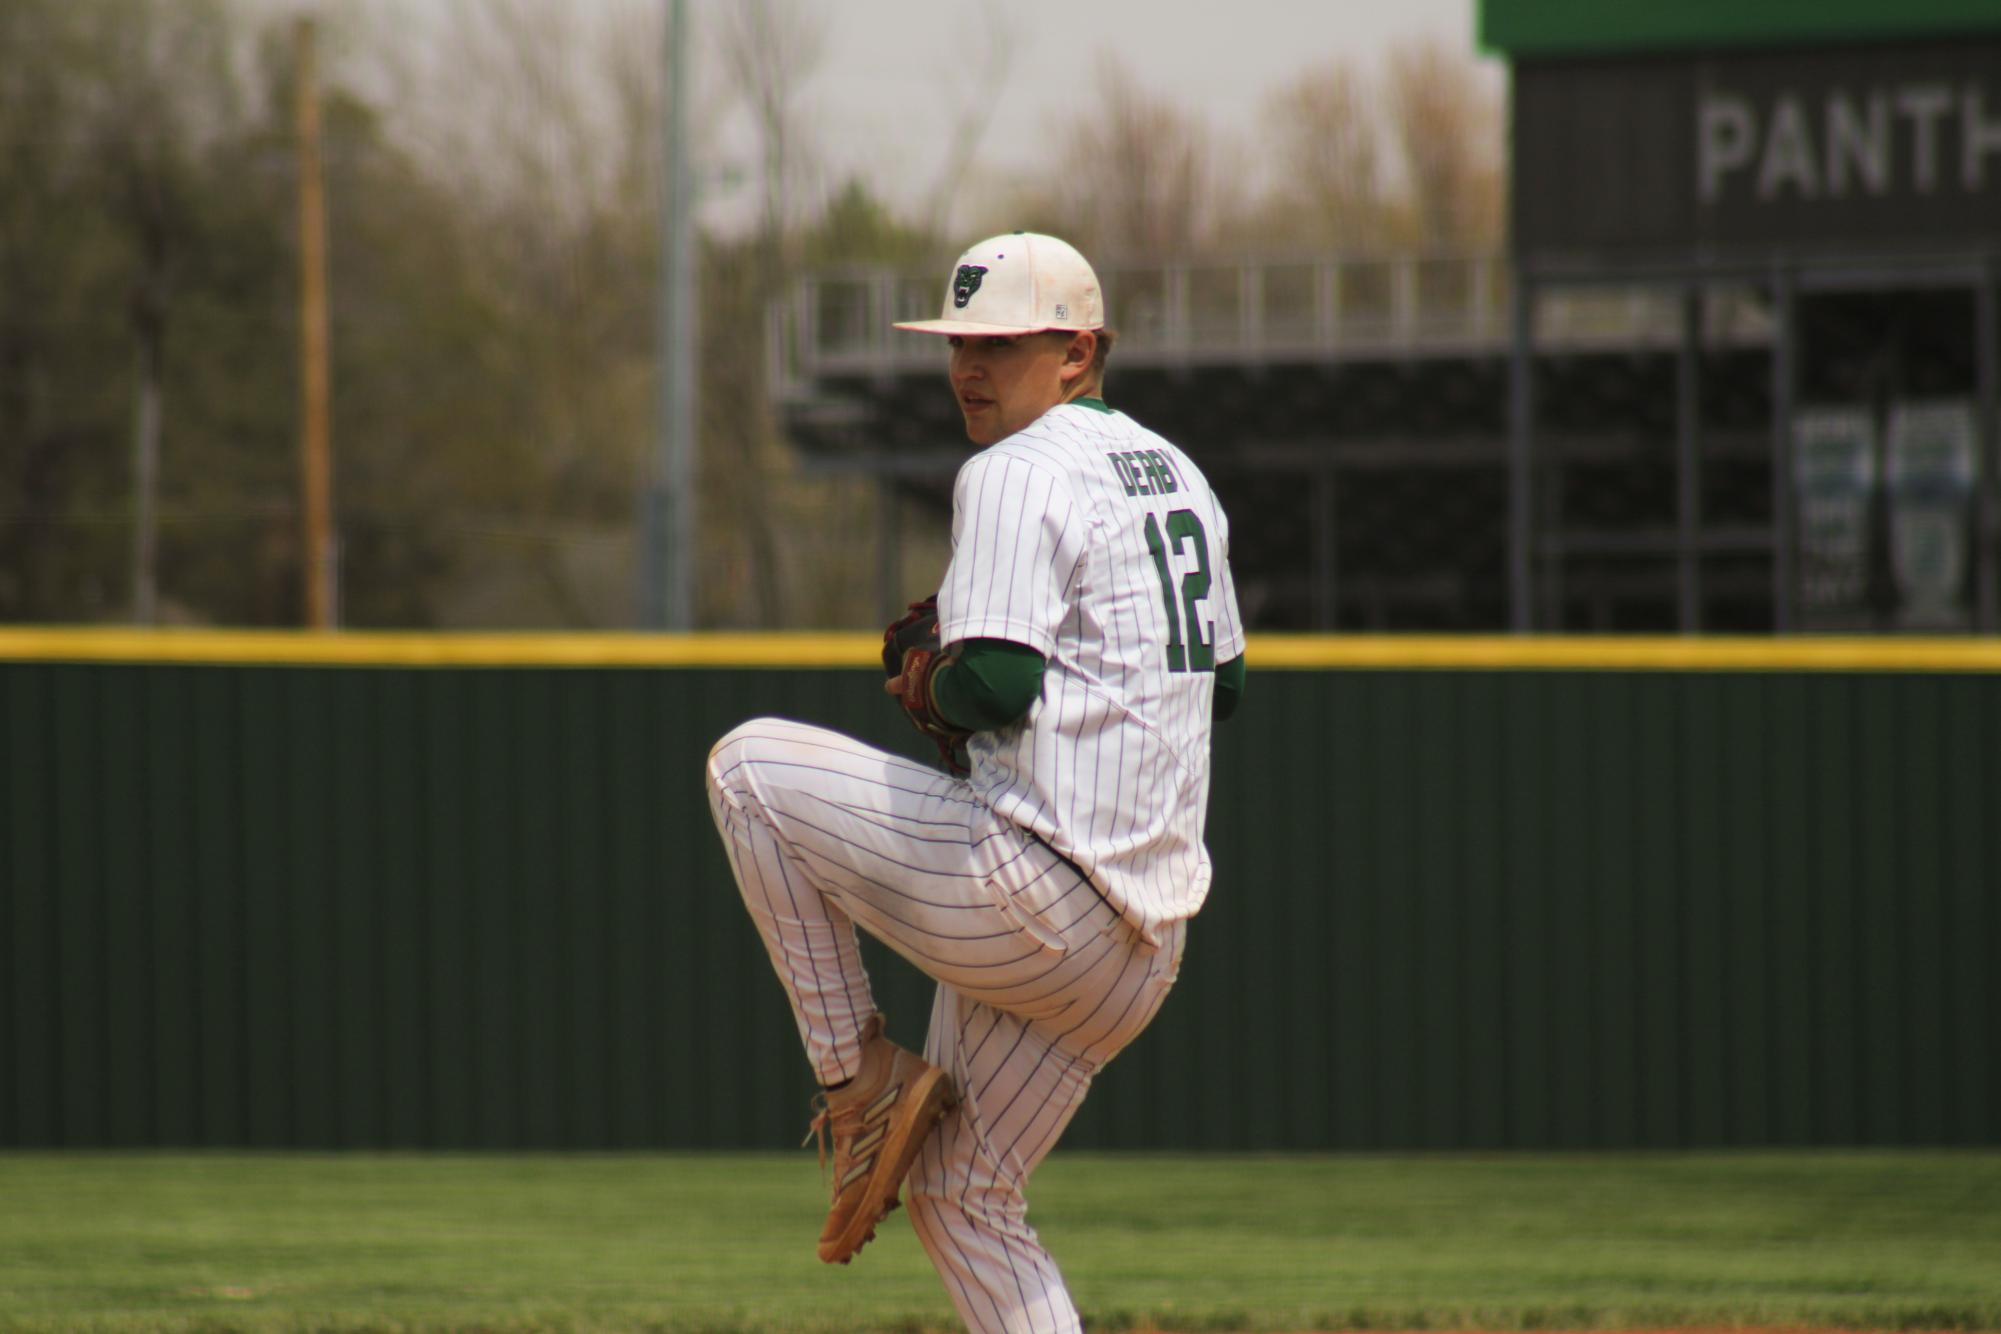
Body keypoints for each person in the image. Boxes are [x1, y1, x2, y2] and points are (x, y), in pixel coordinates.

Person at [705, 231, 1245, 1333]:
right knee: (962, 1195)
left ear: (1079, 350)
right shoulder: (1178, 473)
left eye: (1001, 340)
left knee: (749, 768)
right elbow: (1221, 683)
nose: (970, 365)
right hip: (1139, 958)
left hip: (1025, 900)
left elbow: (993, 681)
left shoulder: (1013, 468)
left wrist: (934, 685)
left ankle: (860, 1087)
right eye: (960, 342)